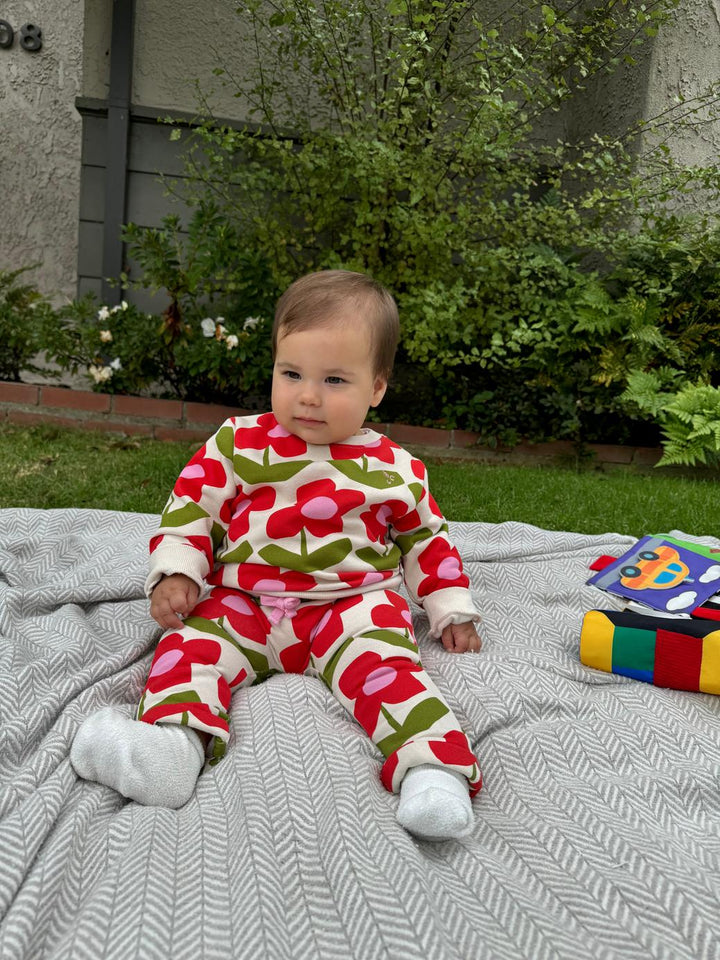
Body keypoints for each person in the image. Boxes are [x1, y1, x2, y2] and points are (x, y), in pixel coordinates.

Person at [71, 269, 482, 841]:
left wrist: (451, 607)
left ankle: (435, 772)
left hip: (352, 605)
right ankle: (171, 750)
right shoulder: (238, 444)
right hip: (247, 601)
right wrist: (178, 570)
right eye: (291, 374)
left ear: (377, 388)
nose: (308, 395)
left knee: (391, 675)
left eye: (335, 379)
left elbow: (428, 543)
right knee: (192, 646)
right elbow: (192, 506)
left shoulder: (396, 469)